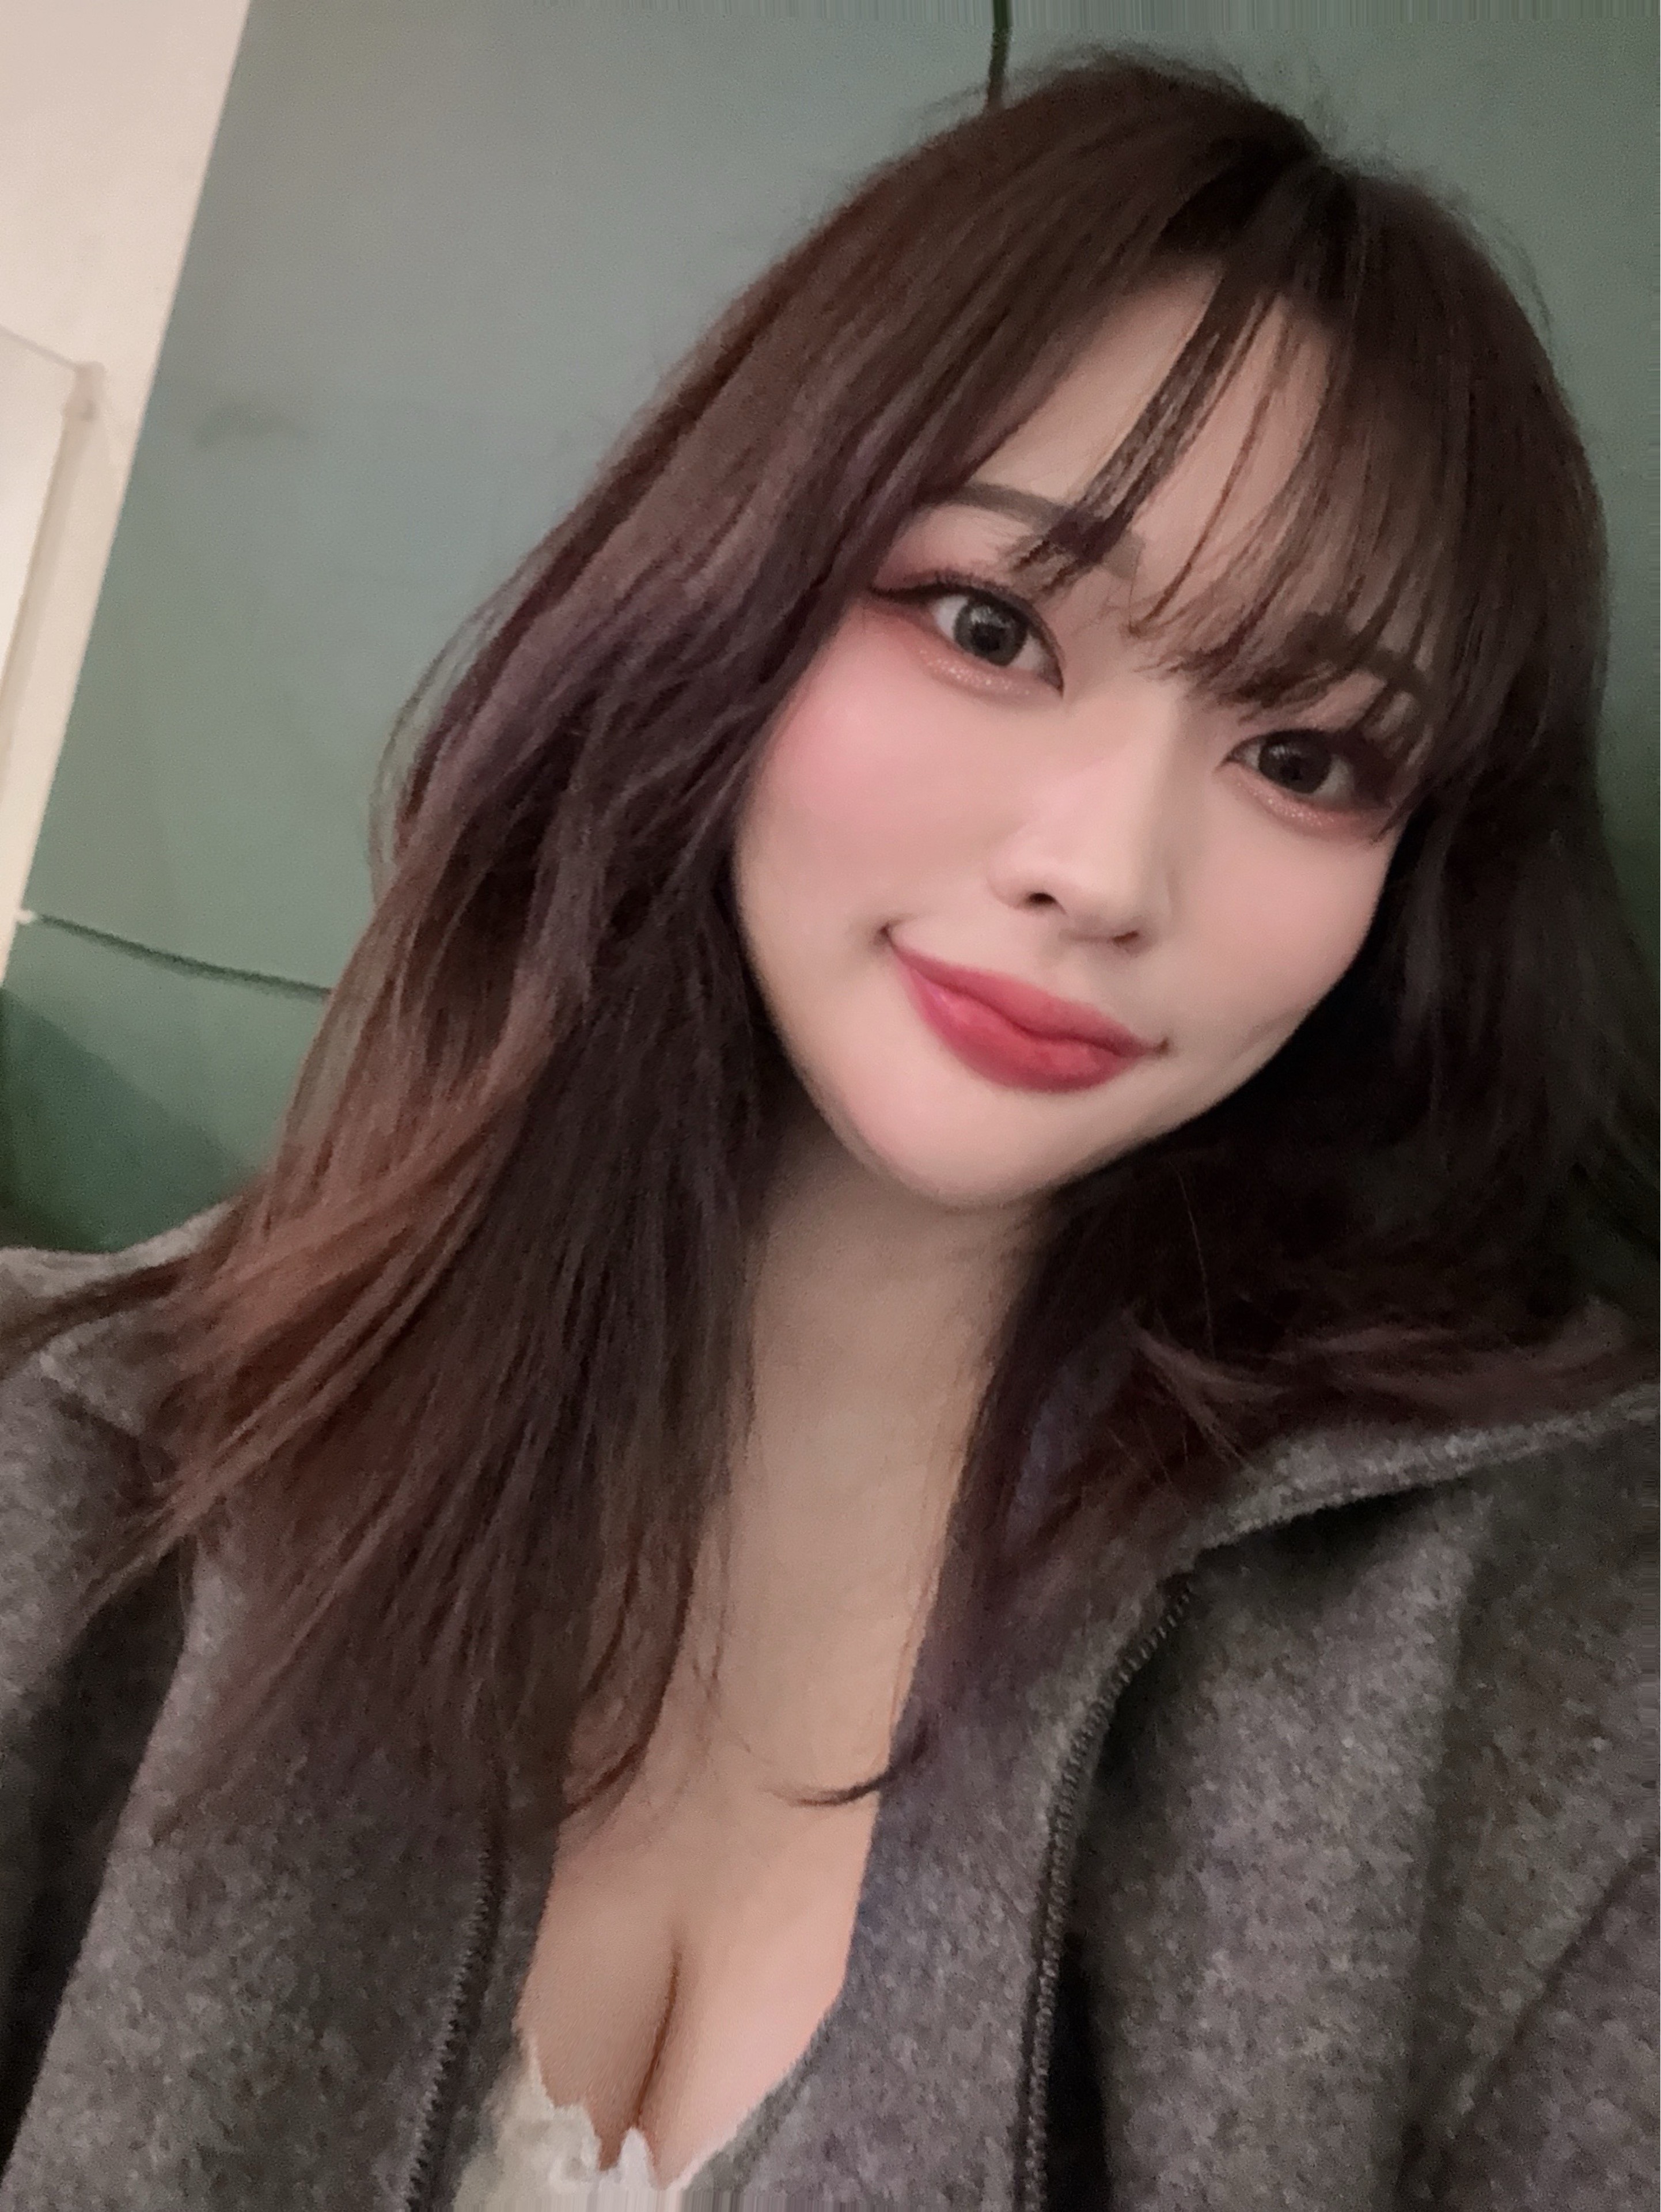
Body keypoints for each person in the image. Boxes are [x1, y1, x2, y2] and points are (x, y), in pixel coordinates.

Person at [0, 46, 1654, 2212]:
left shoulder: (1541, 1689)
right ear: (729, 593)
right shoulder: (69, 1472)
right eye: (991, 626)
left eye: (1305, 758)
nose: (1102, 870)